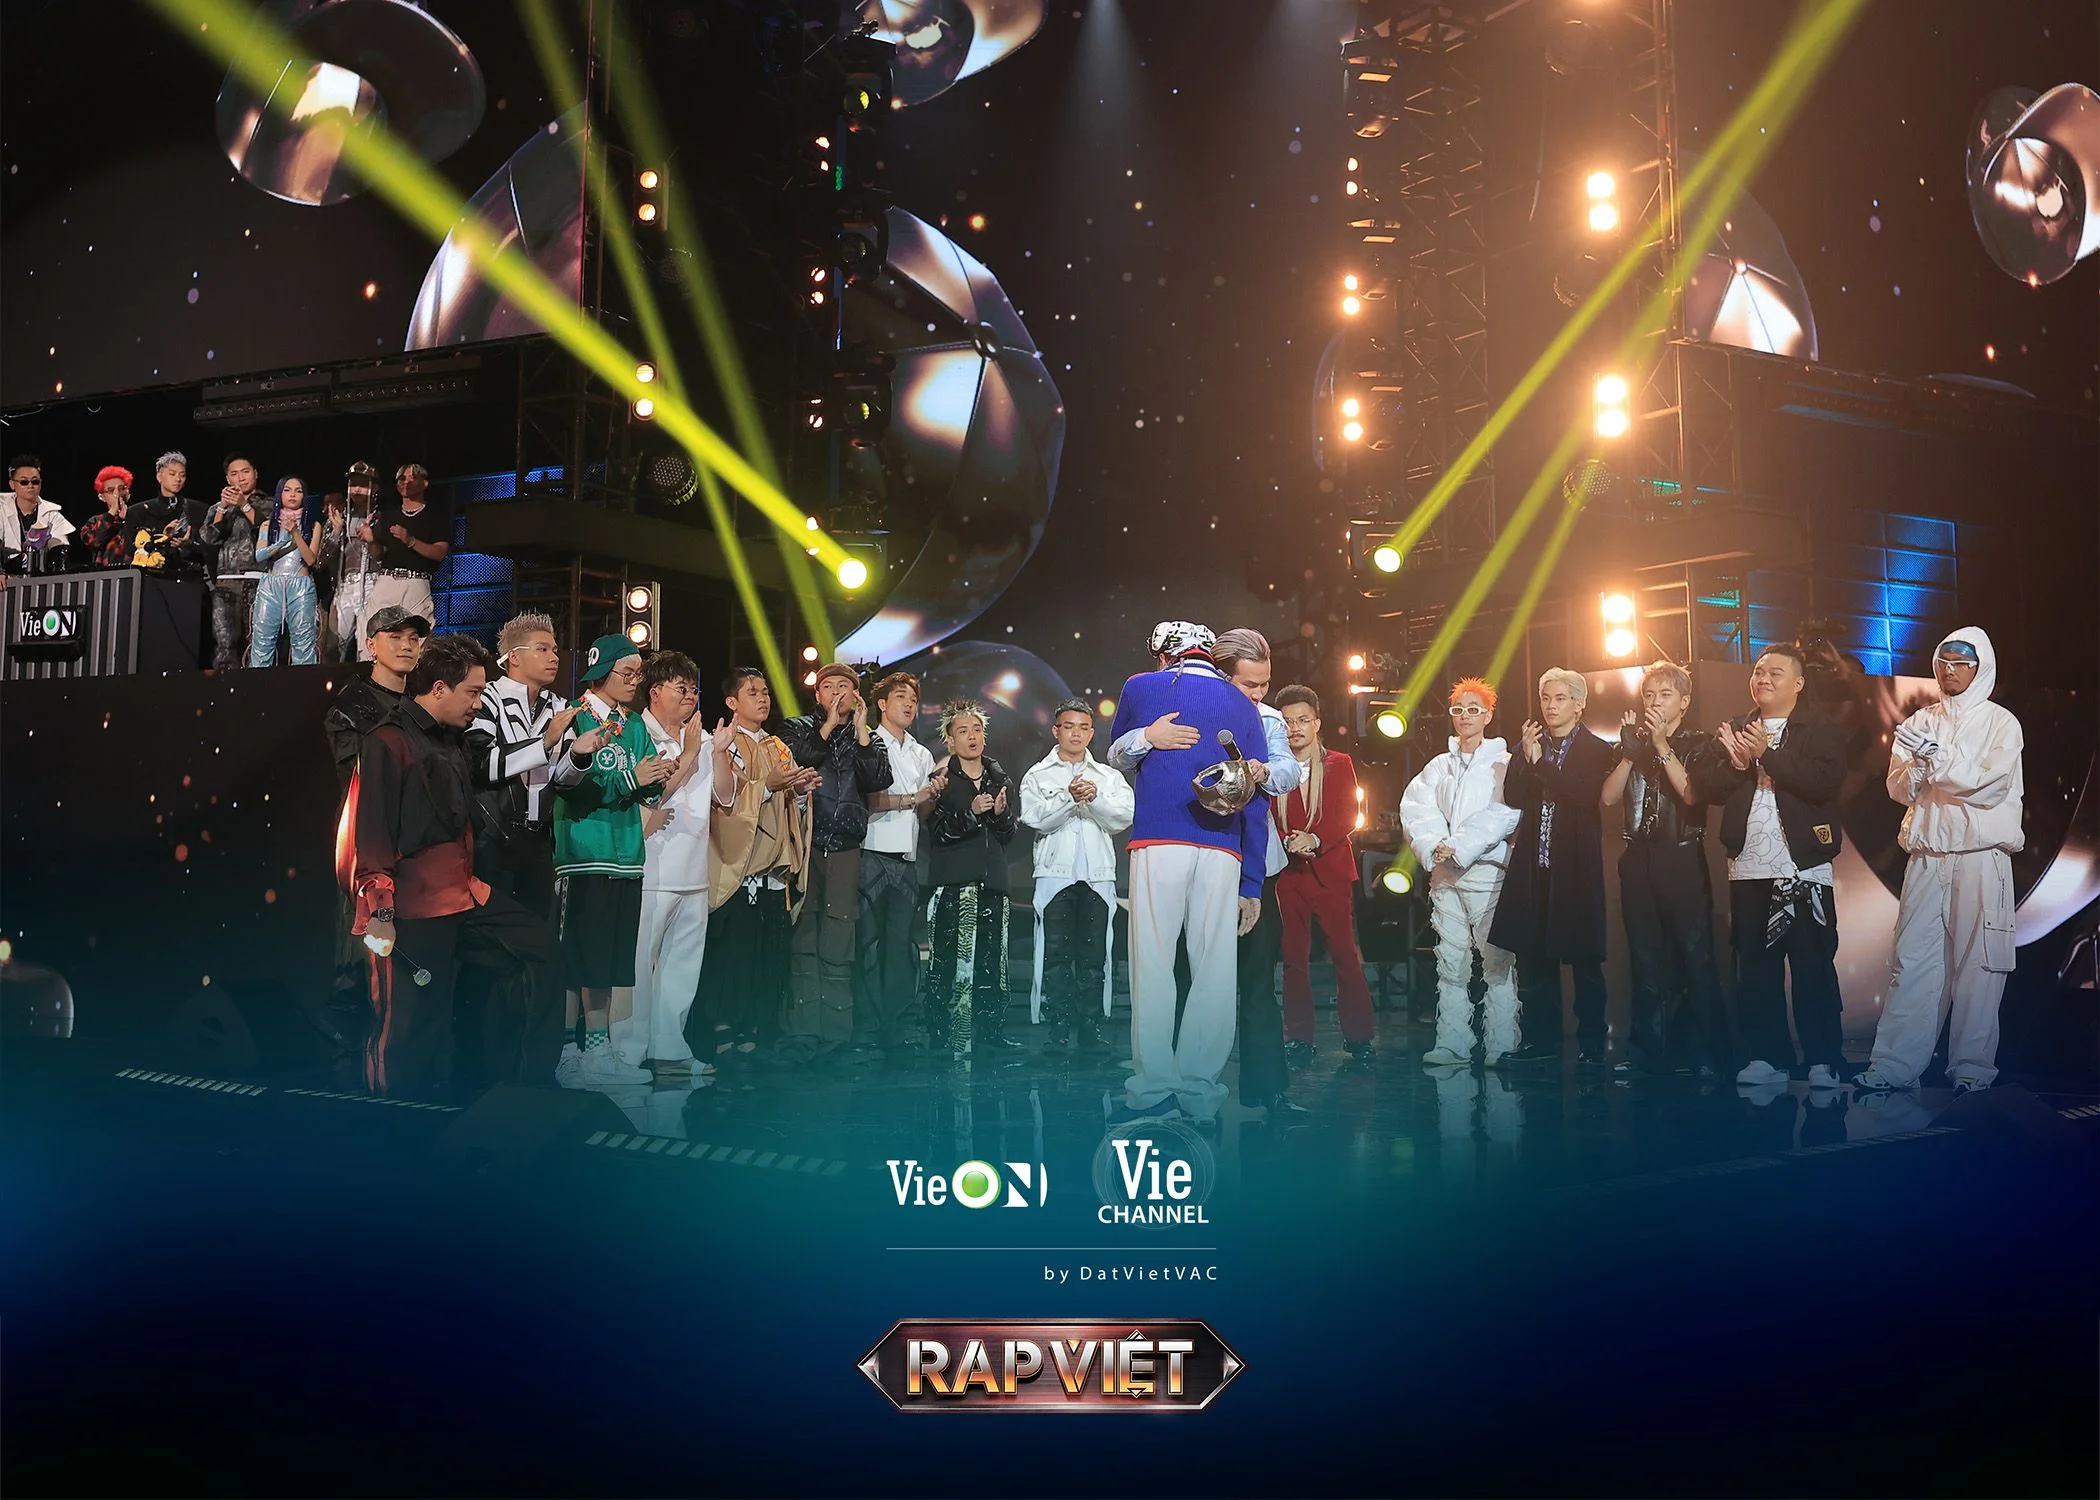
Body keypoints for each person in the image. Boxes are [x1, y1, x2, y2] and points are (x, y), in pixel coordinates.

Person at [347, 634, 563, 1100]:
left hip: (464, 893)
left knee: (539, 948)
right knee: (408, 1028)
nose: (479, 703)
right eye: (473, 692)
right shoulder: (387, 740)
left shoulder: (453, 740)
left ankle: (521, 1090)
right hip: (412, 906)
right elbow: (373, 832)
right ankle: (387, 1119)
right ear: (439, 688)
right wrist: (380, 912)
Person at [1105, 621, 1268, 1125]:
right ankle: (1200, 1091)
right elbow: (1256, 797)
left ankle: (1154, 1089)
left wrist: (1145, 737)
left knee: (1153, 962)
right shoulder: (1243, 704)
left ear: (1162, 654)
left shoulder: (1141, 686)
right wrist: (1252, 882)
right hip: (1223, 848)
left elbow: (1115, 755)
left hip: (1159, 839)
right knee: (1214, 969)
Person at [1855, 628, 2025, 1096]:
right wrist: (1918, 764)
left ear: (1980, 667)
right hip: (1928, 855)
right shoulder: (1921, 720)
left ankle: (1971, 1068)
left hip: (1980, 855)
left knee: (1980, 964)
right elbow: (1898, 788)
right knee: (1912, 961)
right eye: (1943, 661)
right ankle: (1894, 1065)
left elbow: (1988, 787)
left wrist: (1936, 757)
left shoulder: (2001, 723)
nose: (1950, 670)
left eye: (1961, 662)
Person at [1689, 644, 1848, 1090]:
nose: (1763, 678)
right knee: (1756, 968)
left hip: (1802, 867)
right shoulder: (1738, 727)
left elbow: (1823, 783)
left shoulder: (1821, 729)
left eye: (1775, 672)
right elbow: (1707, 787)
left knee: (1812, 966)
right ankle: (1767, 1056)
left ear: (1798, 683)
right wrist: (1737, 763)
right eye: (1758, 671)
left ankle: (1823, 1059)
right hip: (1749, 867)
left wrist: (1767, 755)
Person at [551, 634, 671, 1084]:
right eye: (629, 672)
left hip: (626, 853)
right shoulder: (574, 716)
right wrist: (631, 778)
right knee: (577, 956)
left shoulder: (633, 723)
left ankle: (598, 1049)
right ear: (602, 672)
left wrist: (659, 775)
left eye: (639, 673)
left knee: (607, 959)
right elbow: (572, 784)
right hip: (584, 853)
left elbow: (645, 783)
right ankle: (567, 1051)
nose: (636, 681)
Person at [1600, 661, 1728, 1079]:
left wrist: (1660, 746)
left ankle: (1706, 1052)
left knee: (1696, 957)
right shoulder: (1630, 743)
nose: (1655, 702)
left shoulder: (1700, 743)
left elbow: (1692, 794)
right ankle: (1646, 1052)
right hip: (1638, 857)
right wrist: (1629, 754)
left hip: (1682, 857)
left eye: (1665, 695)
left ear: (1684, 702)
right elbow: (1608, 798)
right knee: (1644, 958)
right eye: (1649, 695)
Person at [618, 650, 737, 1079]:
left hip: (692, 870)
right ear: (654, 692)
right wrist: (689, 752)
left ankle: (670, 1047)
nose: (690, 696)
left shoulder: (701, 738)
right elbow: (654, 797)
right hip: (651, 868)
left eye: (693, 689)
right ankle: (627, 1052)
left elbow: (726, 797)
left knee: (681, 966)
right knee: (639, 965)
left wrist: (717, 752)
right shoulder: (637, 734)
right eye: (680, 688)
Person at [1489, 667, 1616, 1068]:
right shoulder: (1530, 744)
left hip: (1575, 868)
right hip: (1535, 864)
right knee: (1535, 958)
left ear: (1579, 705)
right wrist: (1525, 761)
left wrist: (1540, 764)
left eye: (1560, 698)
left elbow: (1584, 794)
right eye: (1545, 698)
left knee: (1584, 961)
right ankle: (1539, 1041)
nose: (1550, 706)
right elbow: (1514, 796)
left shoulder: (1596, 749)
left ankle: (1592, 1044)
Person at [1396, 678, 1522, 1066]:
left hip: (1487, 870)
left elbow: (1506, 812)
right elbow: (1416, 807)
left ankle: (1501, 1042)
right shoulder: (1440, 765)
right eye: (1458, 709)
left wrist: (1462, 846)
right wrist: (1436, 844)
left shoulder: (1503, 763)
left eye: (1473, 709)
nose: (1465, 716)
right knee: (1450, 961)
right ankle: (1453, 1041)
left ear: (1488, 715)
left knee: (1496, 961)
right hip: (1445, 873)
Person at [775, 664, 894, 1065]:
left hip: (845, 848)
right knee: (804, 936)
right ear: (818, 695)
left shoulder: (868, 738)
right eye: (829, 686)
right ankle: (803, 1031)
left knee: (839, 940)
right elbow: (798, 760)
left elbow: (878, 779)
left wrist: (861, 731)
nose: (838, 693)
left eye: (846, 686)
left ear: (857, 696)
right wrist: (826, 725)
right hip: (806, 844)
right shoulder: (797, 728)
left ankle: (837, 1035)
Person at [697, 668, 814, 1061]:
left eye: (765, 691)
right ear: (732, 702)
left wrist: (800, 793)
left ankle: (753, 1028)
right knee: (733, 955)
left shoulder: (778, 746)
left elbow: (788, 807)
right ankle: (723, 1029)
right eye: (752, 692)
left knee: (766, 955)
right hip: (740, 867)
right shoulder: (724, 743)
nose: (763, 698)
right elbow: (726, 801)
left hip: (772, 870)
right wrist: (768, 786)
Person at [1270, 683, 1381, 1072]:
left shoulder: (1339, 762)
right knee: (1293, 959)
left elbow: (1348, 813)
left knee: (1345, 954)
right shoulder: (1271, 768)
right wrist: (1288, 840)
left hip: (1330, 871)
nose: (1295, 728)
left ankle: (1359, 1036)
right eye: (1287, 721)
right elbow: (1264, 816)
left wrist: (1315, 839)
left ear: (1317, 723)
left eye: (1303, 720)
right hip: (1288, 874)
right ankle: (1298, 1038)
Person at [1020, 697, 1134, 1054]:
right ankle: (1057, 1029)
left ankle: (1090, 1029)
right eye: (1069, 727)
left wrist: (1094, 798)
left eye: (1084, 727)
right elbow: (1035, 819)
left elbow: (1123, 817)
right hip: (1055, 876)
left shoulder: (1108, 777)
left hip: (1097, 878)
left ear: (1091, 733)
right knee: (1055, 956)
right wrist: (1069, 798)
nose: (1076, 733)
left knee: (1094, 957)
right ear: (1056, 731)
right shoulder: (1038, 775)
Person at [465, 612, 581, 923]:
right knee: (491, 933)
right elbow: (480, 764)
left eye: (554, 649)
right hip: (492, 841)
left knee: (537, 934)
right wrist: (545, 743)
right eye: (542, 649)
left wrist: (580, 756)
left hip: (540, 843)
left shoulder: (559, 706)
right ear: (513, 658)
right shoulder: (486, 698)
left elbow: (565, 783)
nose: (554, 657)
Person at [922, 699, 1020, 1063]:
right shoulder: (941, 780)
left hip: (993, 883)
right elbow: (936, 832)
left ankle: (991, 1034)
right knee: (948, 963)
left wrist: (1000, 815)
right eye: (963, 731)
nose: (972, 736)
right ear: (950, 740)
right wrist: (971, 812)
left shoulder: (1000, 779)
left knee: (993, 964)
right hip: (953, 883)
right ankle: (941, 1036)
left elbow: (1008, 835)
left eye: (977, 729)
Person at [857, 671, 945, 1063]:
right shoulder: (868, 743)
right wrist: (914, 797)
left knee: (900, 947)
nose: (909, 705)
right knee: (867, 944)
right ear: (881, 703)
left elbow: (921, 811)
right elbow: (869, 802)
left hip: (906, 859)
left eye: (913, 699)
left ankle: (895, 1028)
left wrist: (933, 795)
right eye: (900, 698)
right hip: (871, 854)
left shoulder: (921, 753)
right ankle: (865, 1027)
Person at [355, 462, 449, 653]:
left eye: (413, 477)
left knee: (416, 641)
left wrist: (410, 540)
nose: (406, 482)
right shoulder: (388, 516)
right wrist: (371, 541)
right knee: (372, 635)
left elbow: (439, 552)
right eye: (402, 478)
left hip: (416, 583)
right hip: (387, 581)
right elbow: (380, 554)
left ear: (425, 483)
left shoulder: (435, 517)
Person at [248, 476, 323, 666]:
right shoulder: (268, 525)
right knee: (262, 642)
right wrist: (281, 542)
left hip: (300, 586)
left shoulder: (313, 526)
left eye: (298, 491)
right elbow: (259, 555)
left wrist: (295, 534)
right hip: (271, 585)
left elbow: (310, 559)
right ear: (279, 494)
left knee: (303, 643)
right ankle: (258, 682)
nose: (292, 495)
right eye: (287, 490)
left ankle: (304, 684)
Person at [200, 455, 263, 670]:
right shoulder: (217, 508)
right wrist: (222, 508)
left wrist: (244, 505)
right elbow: (209, 539)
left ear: (255, 473)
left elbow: (268, 530)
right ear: (228, 479)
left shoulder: (269, 503)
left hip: (258, 581)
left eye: (245, 472)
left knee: (258, 642)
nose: (241, 478)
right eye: (234, 474)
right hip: (226, 583)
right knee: (224, 645)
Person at [331, 462, 381, 663]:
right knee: (336, 642)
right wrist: (336, 533)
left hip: (372, 582)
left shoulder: (382, 517)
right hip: (345, 584)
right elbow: (324, 558)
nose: (357, 490)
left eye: (363, 485)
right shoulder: (340, 518)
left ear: (374, 487)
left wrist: (373, 538)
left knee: (368, 640)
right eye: (353, 485)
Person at [129, 453, 206, 570]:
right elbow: (132, 552)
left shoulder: (199, 509)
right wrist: (163, 538)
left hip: (191, 575)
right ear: (159, 477)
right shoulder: (138, 512)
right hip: (153, 575)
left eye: (182, 475)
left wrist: (189, 545)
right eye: (172, 474)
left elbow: (210, 549)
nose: (178, 479)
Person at [2, 455, 74, 567]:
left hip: (39, 574)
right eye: (24, 482)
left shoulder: (52, 515)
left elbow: (60, 549)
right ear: (12, 484)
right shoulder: (2, 508)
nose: (30, 486)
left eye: (35, 481)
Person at [76, 466, 137, 570]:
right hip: (104, 575)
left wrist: (128, 519)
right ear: (102, 497)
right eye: (111, 490)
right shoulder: (95, 521)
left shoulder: (139, 517)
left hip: (133, 572)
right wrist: (112, 512)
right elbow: (94, 541)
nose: (117, 494)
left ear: (128, 493)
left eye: (122, 488)